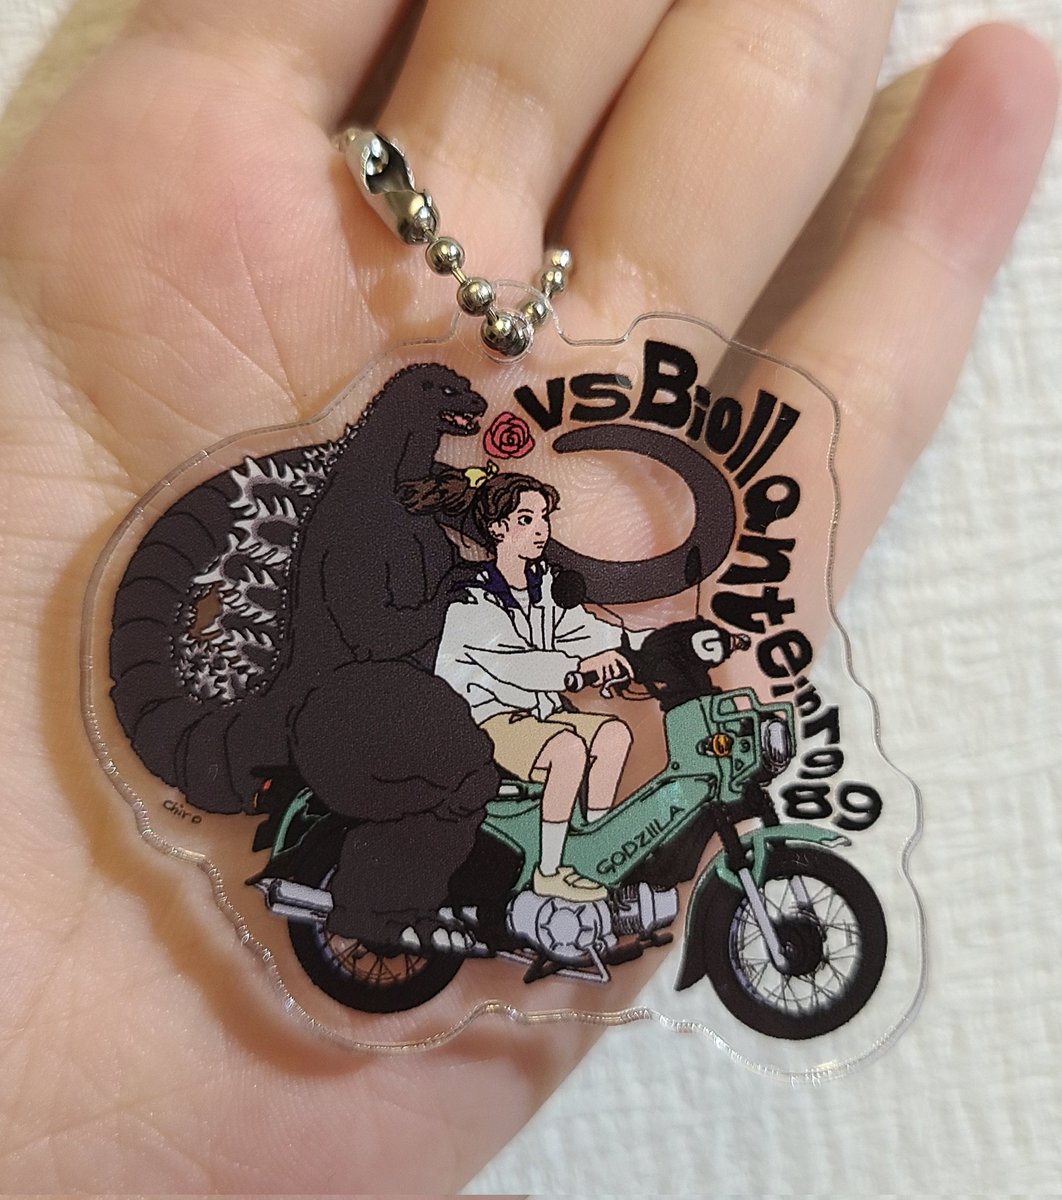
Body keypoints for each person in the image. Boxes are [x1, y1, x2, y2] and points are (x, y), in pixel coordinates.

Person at [0, 0, 1055, 1192]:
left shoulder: (434, 533)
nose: (498, 498)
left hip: (401, 696)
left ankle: (562, 881)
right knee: (470, 772)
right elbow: (408, 632)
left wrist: (601, 647)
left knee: (582, 745)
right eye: (502, 497)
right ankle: (417, 900)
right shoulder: (370, 530)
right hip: (354, 707)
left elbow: (533, 619)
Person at [403, 468, 646, 901]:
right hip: (483, 722)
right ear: (498, 529)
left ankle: (591, 849)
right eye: (526, 519)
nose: (540, 529)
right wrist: (576, 669)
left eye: (543, 518)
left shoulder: (544, 586)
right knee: (567, 750)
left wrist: (640, 643)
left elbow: (582, 628)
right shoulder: (471, 595)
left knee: (613, 735)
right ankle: (549, 871)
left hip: (539, 716)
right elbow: (511, 663)